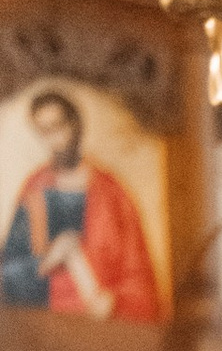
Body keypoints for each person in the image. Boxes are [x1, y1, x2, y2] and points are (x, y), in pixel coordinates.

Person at [0, 90, 162, 324]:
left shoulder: (111, 193)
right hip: (43, 329)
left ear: (75, 124)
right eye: (44, 131)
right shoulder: (34, 190)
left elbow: (140, 280)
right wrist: (49, 260)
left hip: (101, 330)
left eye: (58, 127)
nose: (54, 140)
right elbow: (8, 272)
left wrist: (114, 302)